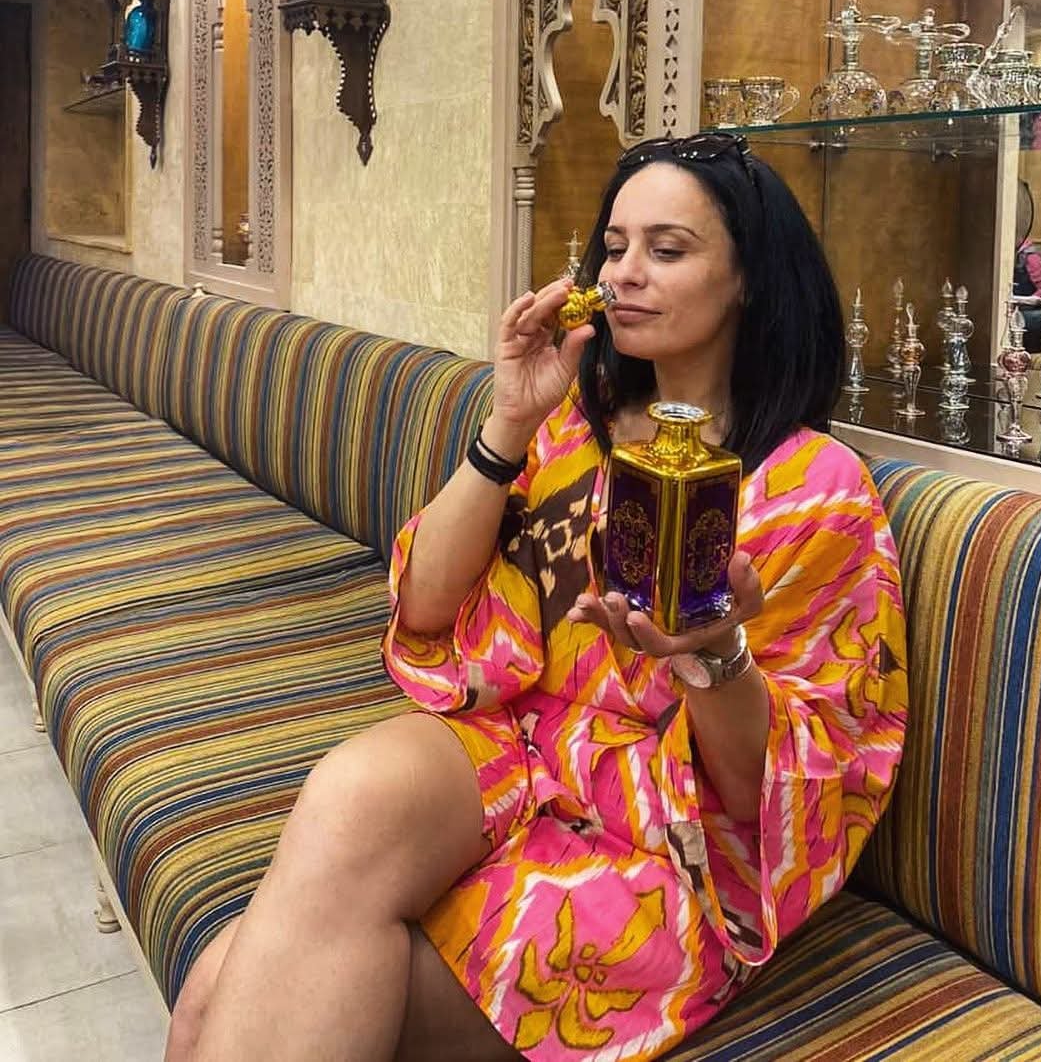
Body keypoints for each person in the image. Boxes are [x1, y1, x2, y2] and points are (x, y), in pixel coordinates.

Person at [166, 131, 908, 1062]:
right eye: (614, 246)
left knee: (215, 997)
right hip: (518, 739)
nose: (624, 272)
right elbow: (426, 609)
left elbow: (778, 790)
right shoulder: (569, 427)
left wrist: (713, 653)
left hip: (663, 829)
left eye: (666, 249)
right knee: (349, 795)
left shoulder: (816, 489)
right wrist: (509, 420)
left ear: (748, 279)